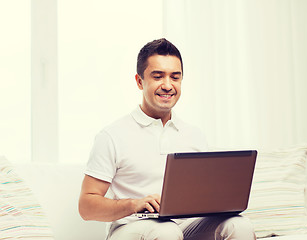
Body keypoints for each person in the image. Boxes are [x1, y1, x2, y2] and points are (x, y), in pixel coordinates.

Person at [78, 38, 256, 240]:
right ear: (139, 81)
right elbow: (86, 207)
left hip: (183, 228)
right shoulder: (112, 136)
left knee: (239, 225)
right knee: (166, 232)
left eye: (175, 77)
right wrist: (134, 204)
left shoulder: (194, 135)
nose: (167, 85)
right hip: (132, 228)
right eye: (158, 76)